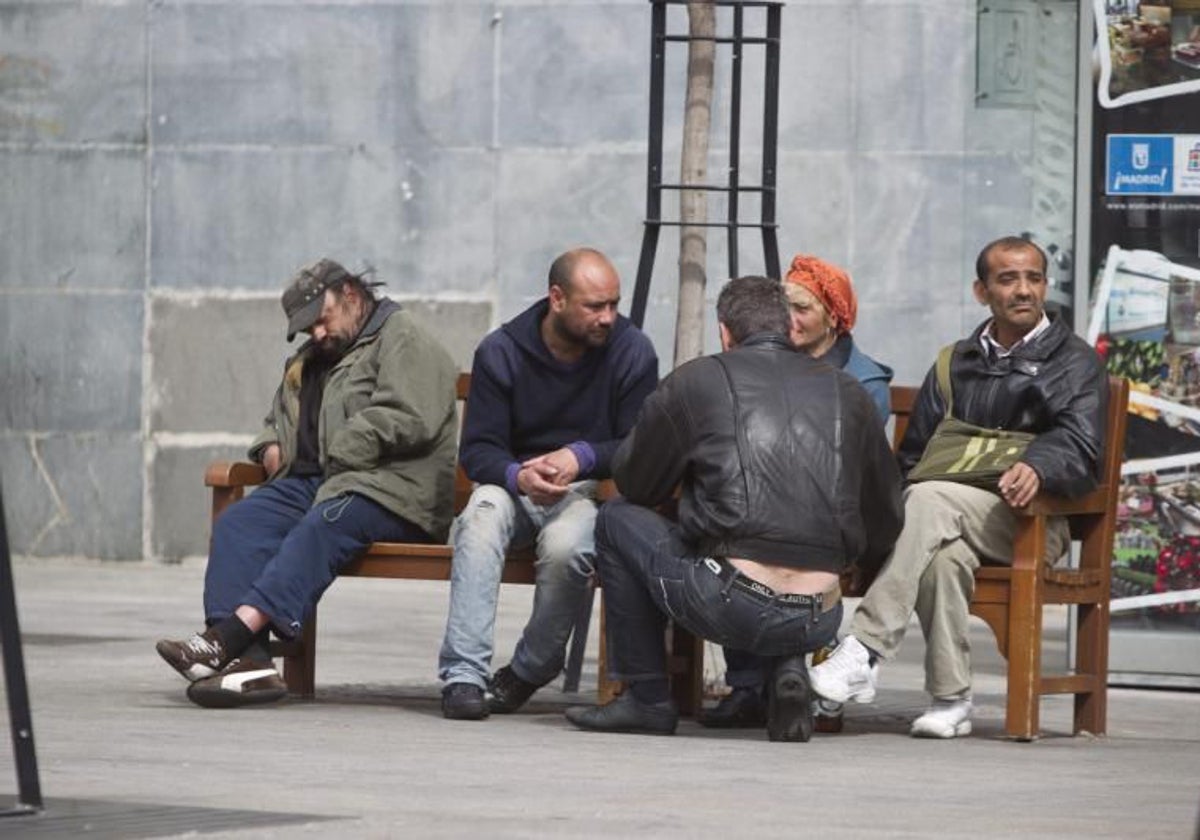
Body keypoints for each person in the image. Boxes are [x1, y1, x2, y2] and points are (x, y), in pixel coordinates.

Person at [564, 275, 903, 741]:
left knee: (617, 519)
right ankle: (785, 671)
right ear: (788, 326)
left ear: (725, 331)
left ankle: (646, 699)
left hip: (728, 603)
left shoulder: (698, 379)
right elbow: (886, 514)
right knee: (776, 542)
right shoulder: (850, 392)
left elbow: (636, 483)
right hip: (818, 614)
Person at [808, 236, 1108, 739]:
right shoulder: (955, 362)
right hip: (944, 517)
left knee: (928, 500)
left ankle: (863, 647)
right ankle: (951, 699)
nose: (1024, 290)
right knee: (941, 553)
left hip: (1031, 520)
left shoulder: (1074, 362)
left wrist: (1038, 464)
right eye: (1008, 279)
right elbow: (914, 456)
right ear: (981, 290)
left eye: (1033, 278)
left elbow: (1081, 443)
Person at [156, 258, 459, 708]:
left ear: (351, 295)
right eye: (308, 328)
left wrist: (343, 445)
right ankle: (253, 665)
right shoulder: (311, 359)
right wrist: (268, 446)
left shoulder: (403, 336)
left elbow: (411, 416)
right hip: (317, 484)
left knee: (328, 518)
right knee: (240, 523)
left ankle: (226, 639)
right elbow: (275, 418)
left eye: (321, 319)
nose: (316, 333)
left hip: (390, 491)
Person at [438, 247, 659, 720]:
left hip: (582, 492)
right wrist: (519, 475)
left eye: (613, 304)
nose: (608, 317)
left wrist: (580, 456)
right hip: (510, 487)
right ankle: (463, 677)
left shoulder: (631, 350)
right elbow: (477, 450)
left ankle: (529, 670)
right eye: (595, 306)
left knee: (568, 547)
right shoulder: (502, 351)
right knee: (480, 519)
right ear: (557, 298)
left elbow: (637, 444)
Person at [702, 253, 894, 729]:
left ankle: (798, 685)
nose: (790, 319)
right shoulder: (768, 360)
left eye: (803, 308)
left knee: (775, 534)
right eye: (784, 306)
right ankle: (750, 685)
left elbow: (855, 469)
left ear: (835, 317)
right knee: (734, 526)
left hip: (835, 512)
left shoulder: (862, 383)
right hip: (769, 503)